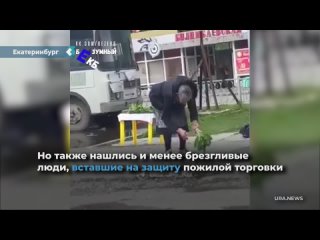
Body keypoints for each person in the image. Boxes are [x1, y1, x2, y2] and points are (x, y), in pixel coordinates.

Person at [149, 75, 200, 153]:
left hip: (173, 97)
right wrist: (178, 130)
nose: (184, 104)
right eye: (182, 102)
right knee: (165, 125)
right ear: (177, 95)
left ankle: (182, 149)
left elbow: (192, 109)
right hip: (158, 99)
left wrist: (194, 122)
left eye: (186, 102)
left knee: (182, 118)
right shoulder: (168, 94)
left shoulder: (190, 91)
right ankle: (168, 149)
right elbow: (165, 117)